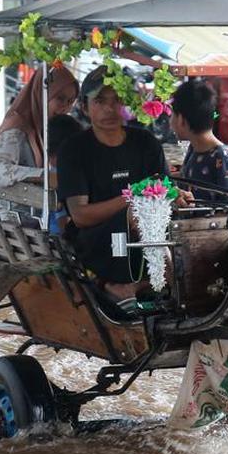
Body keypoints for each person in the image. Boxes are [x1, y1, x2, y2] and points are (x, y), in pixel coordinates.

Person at [57, 66, 192, 300]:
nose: (109, 108)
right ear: (84, 107)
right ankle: (176, 288)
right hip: (93, 241)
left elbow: (164, 191)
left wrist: (177, 195)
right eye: (100, 101)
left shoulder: (146, 142)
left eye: (117, 100)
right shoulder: (74, 149)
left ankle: (172, 281)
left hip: (150, 233)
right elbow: (80, 216)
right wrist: (130, 200)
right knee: (139, 212)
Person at [0, 66, 78, 187]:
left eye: (70, 101)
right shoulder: (18, 127)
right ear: (41, 93)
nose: (65, 107)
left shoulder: (46, 126)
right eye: (60, 98)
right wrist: (43, 176)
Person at [170, 80, 228, 202]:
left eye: (172, 115)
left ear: (181, 120)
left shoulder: (221, 156)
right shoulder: (193, 149)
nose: (170, 123)